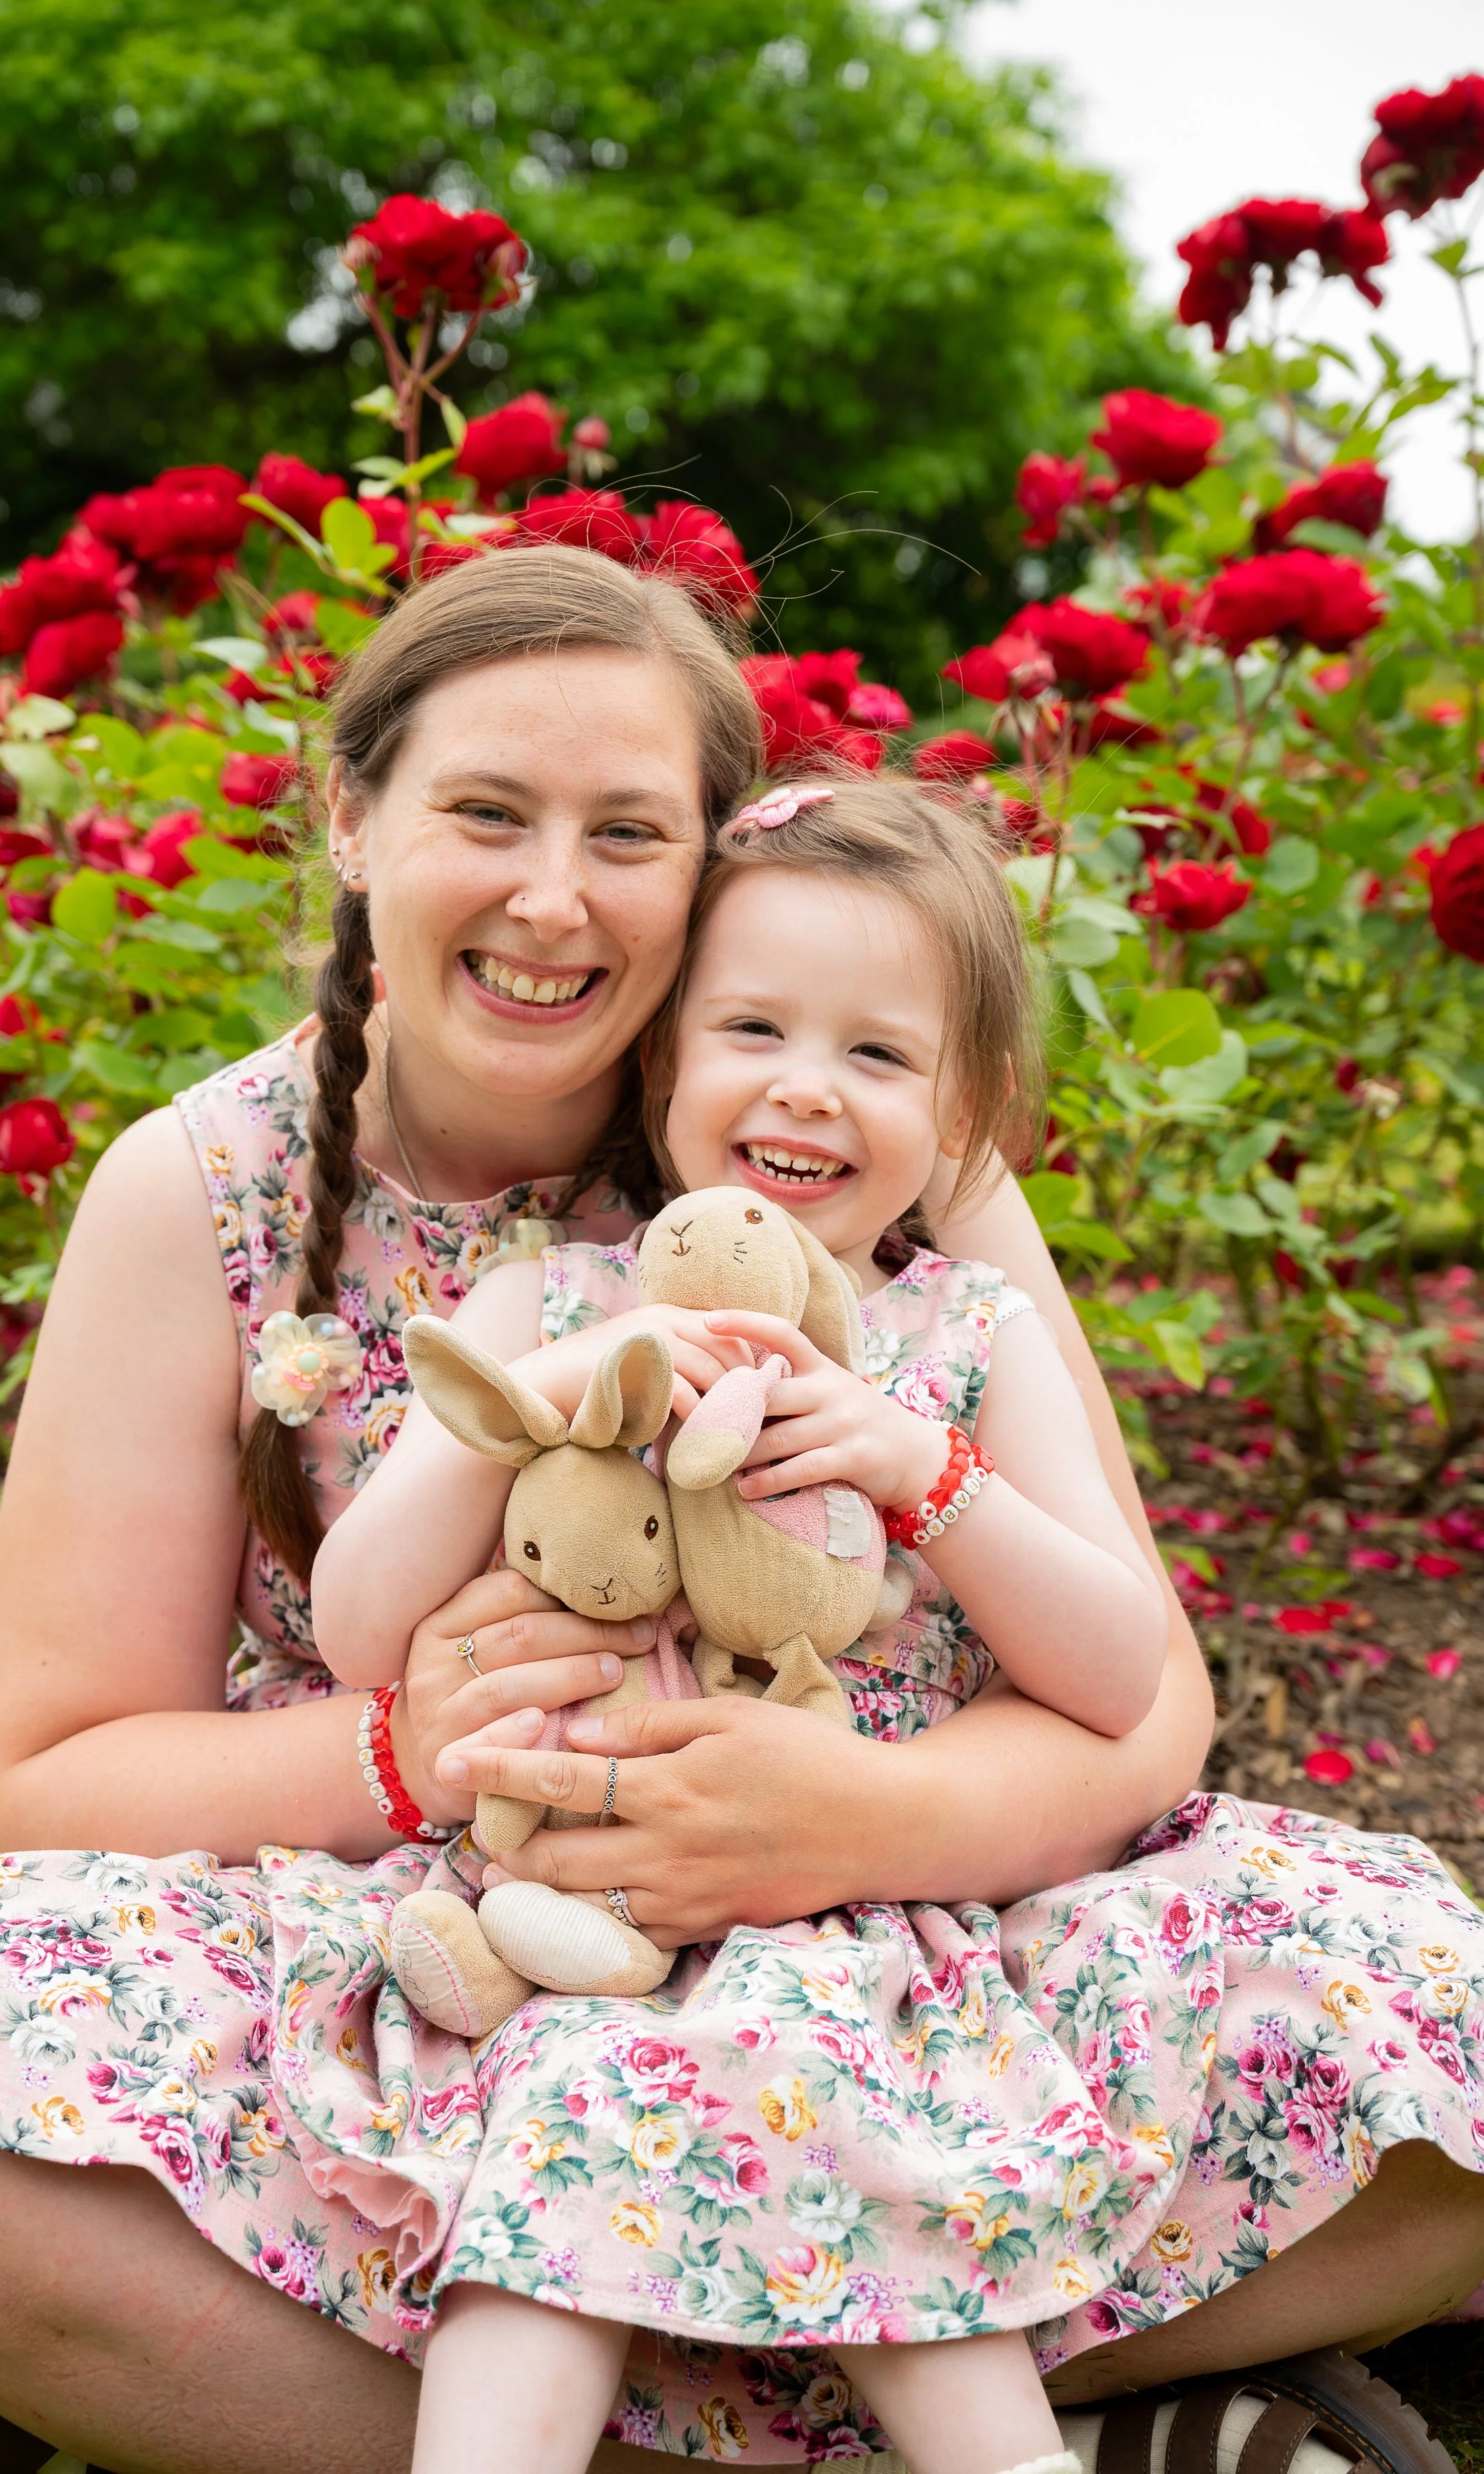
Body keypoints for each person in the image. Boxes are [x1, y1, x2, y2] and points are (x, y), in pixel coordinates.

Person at [0, 546, 1479, 2474]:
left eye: (626, 833)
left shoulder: (863, 1143)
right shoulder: (203, 1186)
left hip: (903, 1930)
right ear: (351, 818)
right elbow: (51, 1774)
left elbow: (1143, 1696)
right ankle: (1001, 2416)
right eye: (484, 814)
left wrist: (858, 1821)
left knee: (1428, 2031)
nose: (549, 896)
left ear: (711, 866)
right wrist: (406, 1752)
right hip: (433, 1932)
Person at [312, 777, 1175, 2474]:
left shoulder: (968, 1336)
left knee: (905, 2217)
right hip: (566, 1911)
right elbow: (356, 1629)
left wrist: (931, 1479)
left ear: (967, 1108)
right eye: (753, 1029)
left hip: (847, 1913)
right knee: (540, 2218)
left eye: (875, 1054)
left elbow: (1118, 1666)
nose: (803, 1085)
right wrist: (538, 1404)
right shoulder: (545, 1305)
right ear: (663, 1062)